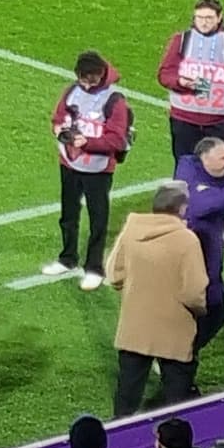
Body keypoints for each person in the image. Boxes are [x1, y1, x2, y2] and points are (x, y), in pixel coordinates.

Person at [108, 179, 208, 413]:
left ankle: (121, 433)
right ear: (182, 208)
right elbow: (193, 293)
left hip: (135, 326)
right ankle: (173, 433)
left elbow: (114, 275)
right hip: (173, 329)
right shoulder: (187, 240)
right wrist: (200, 310)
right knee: (177, 398)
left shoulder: (132, 229)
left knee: (126, 396)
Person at [51, 50, 134, 285]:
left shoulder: (115, 100)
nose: (87, 85)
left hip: (98, 169)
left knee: (98, 219)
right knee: (68, 214)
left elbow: (117, 140)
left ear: (101, 74)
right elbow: (58, 118)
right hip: (69, 163)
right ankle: (67, 258)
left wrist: (87, 143)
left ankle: (94, 268)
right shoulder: (71, 91)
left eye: (92, 80)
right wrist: (59, 130)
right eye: (83, 79)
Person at [158, 0, 224, 164]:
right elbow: (164, 74)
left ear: (219, 17)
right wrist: (180, 82)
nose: (203, 22)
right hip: (184, 121)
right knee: (186, 170)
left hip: (219, 123)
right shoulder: (181, 40)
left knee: (223, 168)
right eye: (199, 17)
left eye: (209, 18)